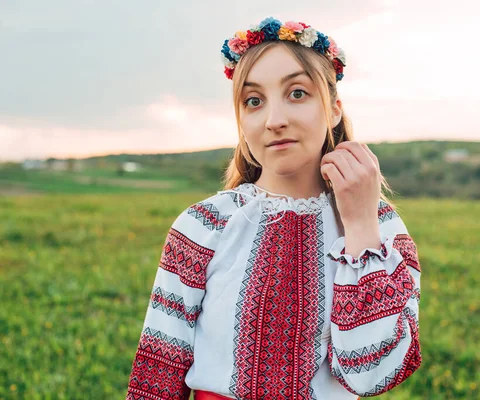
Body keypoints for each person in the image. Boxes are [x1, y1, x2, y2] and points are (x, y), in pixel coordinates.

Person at [126, 17, 422, 400]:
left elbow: (371, 374)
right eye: (253, 101)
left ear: (333, 109)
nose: (274, 120)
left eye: (297, 93)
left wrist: (360, 225)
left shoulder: (383, 228)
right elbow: (158, 371)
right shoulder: (203, 225)